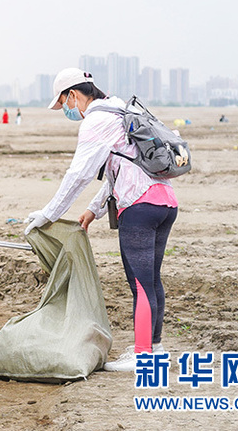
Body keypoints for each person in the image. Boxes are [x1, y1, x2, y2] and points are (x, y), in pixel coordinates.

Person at [25, 68, 178, 372]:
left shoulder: (96, 120)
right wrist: (93, 210)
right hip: (164, 202)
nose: (67, 111)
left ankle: (144, 356)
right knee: (150, 280)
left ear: (73, 94)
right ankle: (154, 347)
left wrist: (48, 214)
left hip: (139, 206)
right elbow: (120, 168)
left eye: (64, 104)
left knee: (140, 282)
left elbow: (79, 175)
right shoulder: (121, 109)